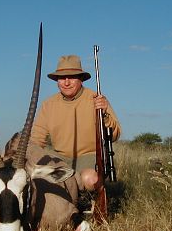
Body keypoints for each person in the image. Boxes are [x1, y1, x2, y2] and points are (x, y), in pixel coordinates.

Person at [29, 54, 121, 190]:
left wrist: (104, 114)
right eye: (62, 78)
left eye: (71, 77)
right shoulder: (48, 104)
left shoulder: (96, 99)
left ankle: (92, 202)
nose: (66, 82)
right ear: (57, 80)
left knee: (89, 179)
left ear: (81, 79)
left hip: (89, 157)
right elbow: (37, 139)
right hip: (59, 159)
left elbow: (114, 135)